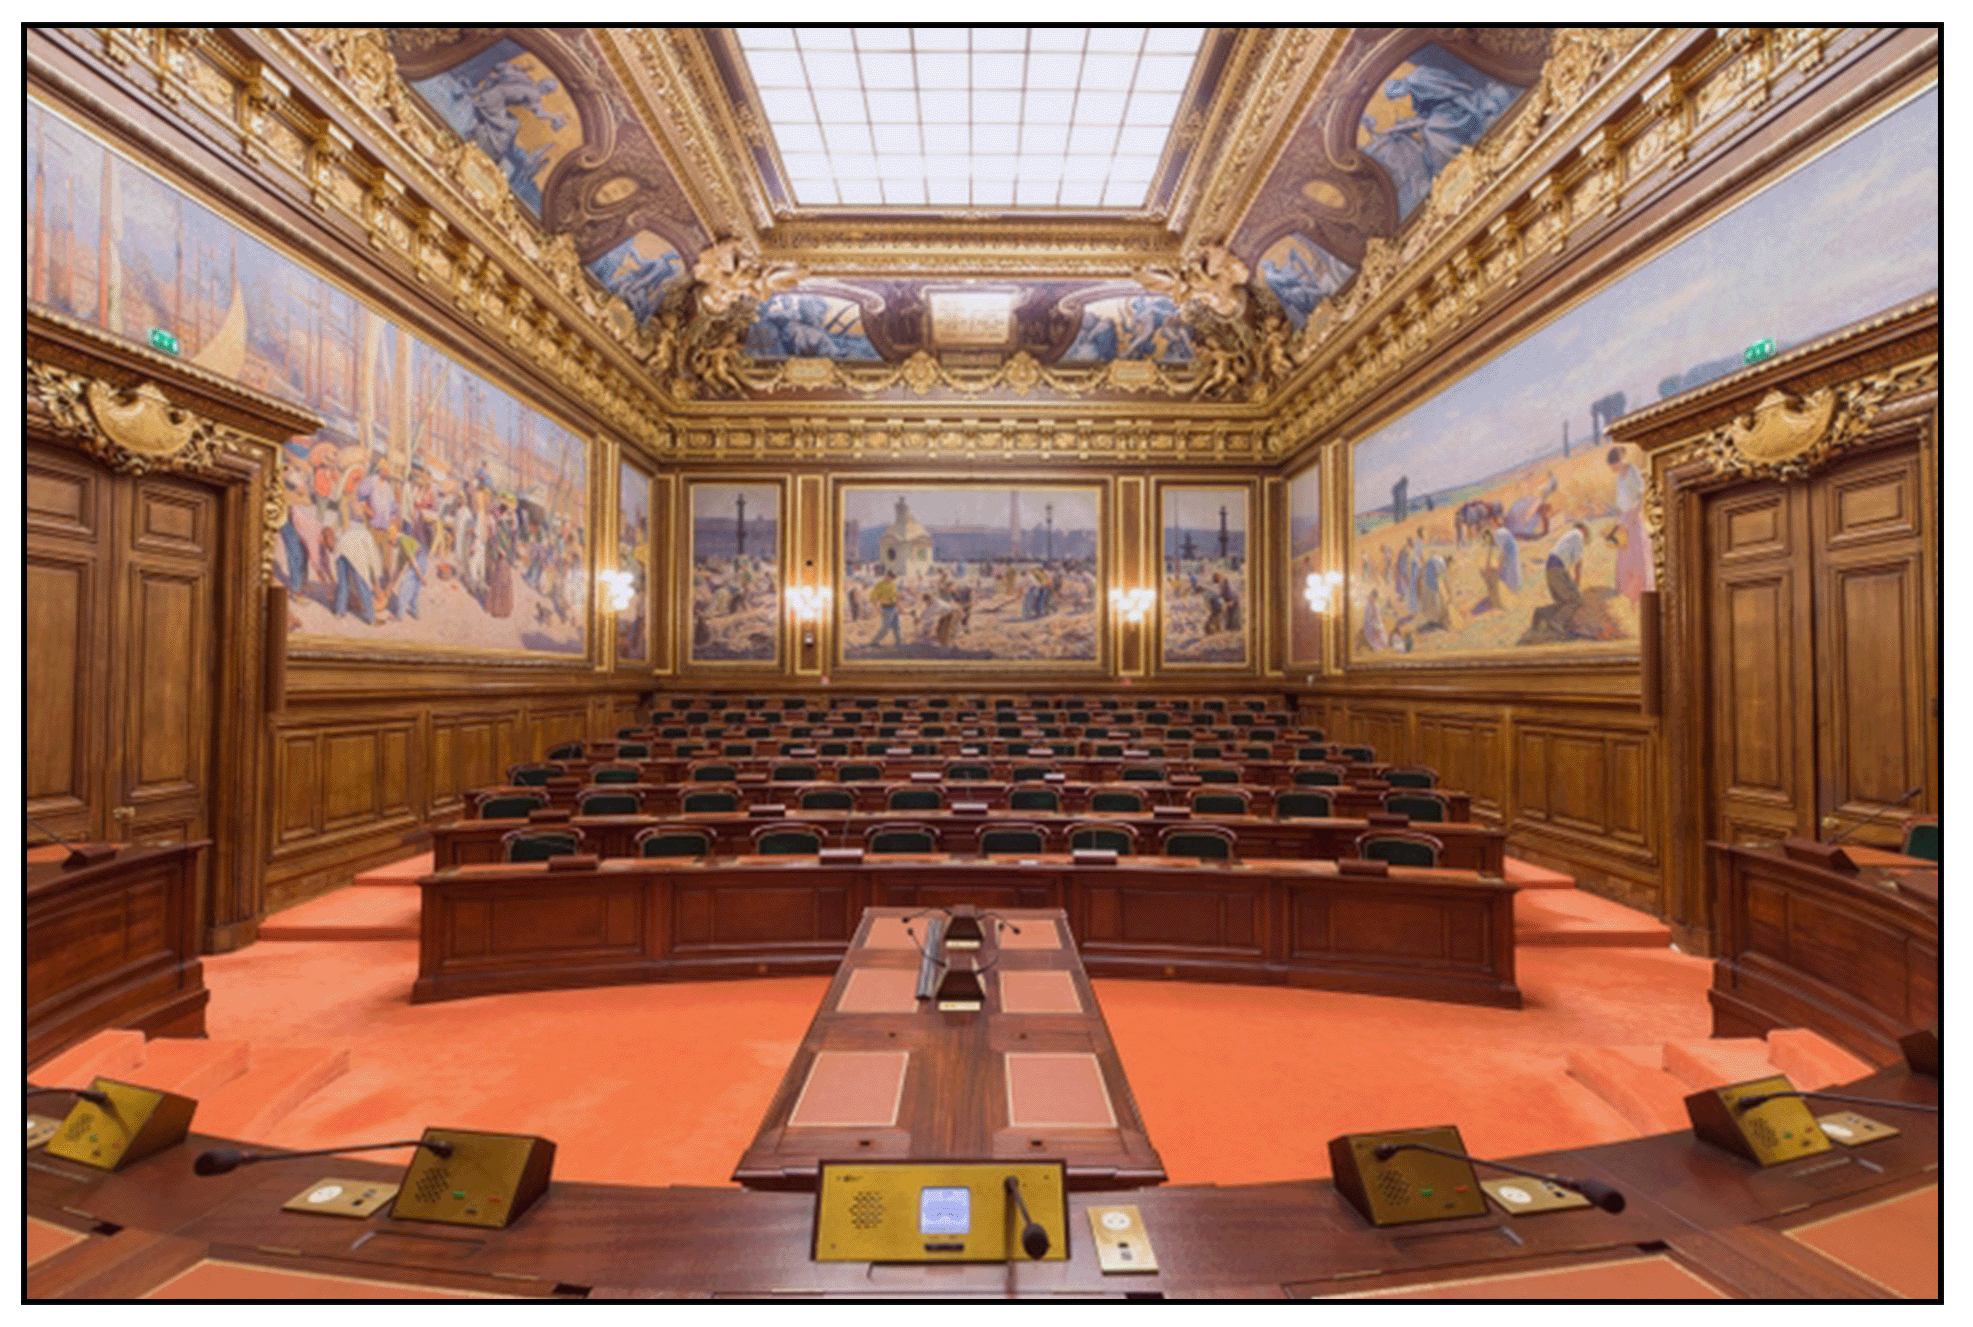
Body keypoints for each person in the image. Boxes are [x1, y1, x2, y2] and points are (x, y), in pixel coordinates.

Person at [1608, 445, 1650, 604]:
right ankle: (1625, 588)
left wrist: (1633, 515)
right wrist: (1620, 519)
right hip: (1624, 517)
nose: (1612, 469)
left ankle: (1639, 590)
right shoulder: (1619, 476)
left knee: (1637, 552)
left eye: (1613, 465)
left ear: (1619, 461)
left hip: (1634, 515)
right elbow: (1621, 501)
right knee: (1624, 553)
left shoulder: (1632, 472)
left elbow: (1641, 496)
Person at [332, 499, 384, 624]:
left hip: (341, 550)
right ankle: (371, 619)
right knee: (363, 585)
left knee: (343, 583)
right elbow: (374, 562)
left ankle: (339, 612)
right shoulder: (367, 535)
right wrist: (376, 582)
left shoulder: (352, 527)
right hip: (351, 552)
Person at [1545, 522, 1589, 607]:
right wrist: (1576, 586)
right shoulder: (1578, 534)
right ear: (1582, 529)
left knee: (1561, 601)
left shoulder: (1569, 536)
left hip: (1551, 567)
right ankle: (1556, 621)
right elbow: (1577, 560)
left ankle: (1545, 615)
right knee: (1576, 600)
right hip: (1557, 568)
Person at [870, 569, 903, 648]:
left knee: (897, 626)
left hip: (894, 608)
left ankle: (899, 643)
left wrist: (900, 607)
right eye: (891, 577)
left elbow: (896, 596)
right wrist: (878, 609)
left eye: (893, 578)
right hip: (886, 609)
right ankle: (875, 641)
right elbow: (873, 598)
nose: (892, 579)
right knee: (885, 628)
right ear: (887, 576)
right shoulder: (879, 585)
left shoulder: (893, 583)